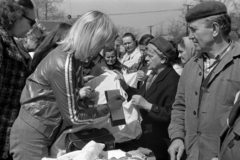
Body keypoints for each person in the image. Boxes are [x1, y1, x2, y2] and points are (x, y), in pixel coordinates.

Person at [10, 11, 124, 160]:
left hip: (42, 131)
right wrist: (108, 108)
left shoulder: (70, 59)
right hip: (33, 137)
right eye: (101, 44)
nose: (100, 49)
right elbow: (74, 116)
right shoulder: (63, 63)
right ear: (92, 39)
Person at [168, 1, 240, 160]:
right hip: (192, 153)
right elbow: (180, 106)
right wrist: (177, 137)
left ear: (215, 29)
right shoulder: (190, 66)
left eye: (194, 30)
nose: (190, 36)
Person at [117, 36, 179, 160]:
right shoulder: (154, 75)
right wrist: (125, 86)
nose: (146, 59)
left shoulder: (172, 80)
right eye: (146, 55)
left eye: (150, 56)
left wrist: (148, 106)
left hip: (162, 142)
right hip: (149, 139)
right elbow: (141, 95)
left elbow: (173, 114)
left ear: (163, 59)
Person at [0, 0, 35, 159]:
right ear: (16, 15)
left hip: (9, 126)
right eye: (31, 22)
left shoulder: (13, 41)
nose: (32, 27)